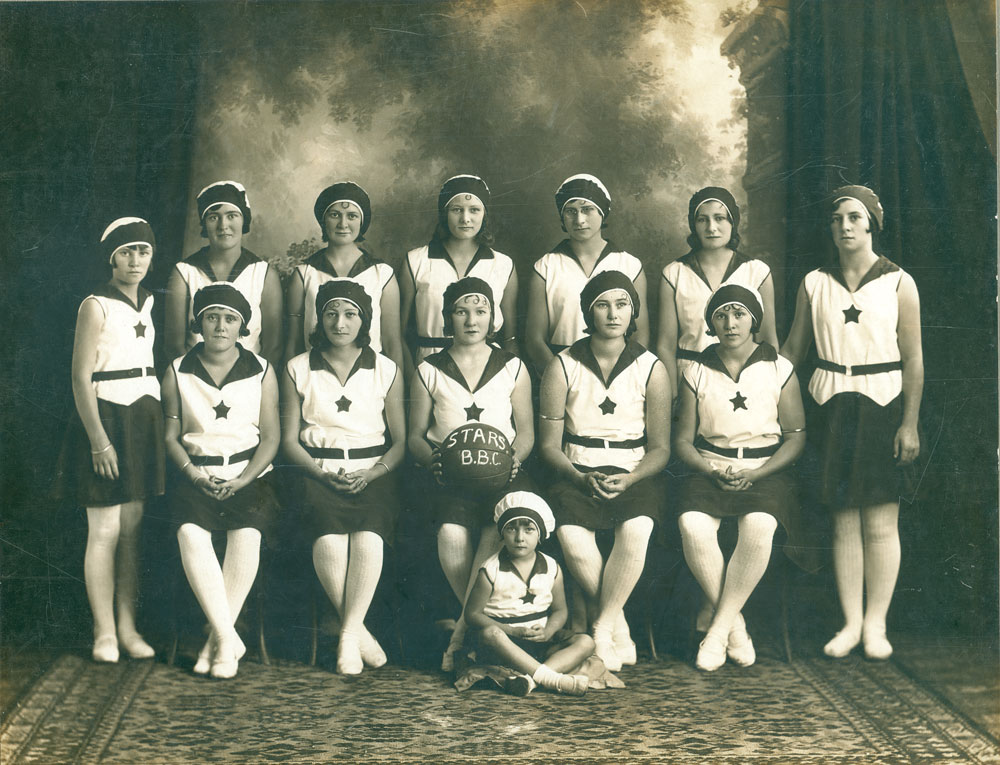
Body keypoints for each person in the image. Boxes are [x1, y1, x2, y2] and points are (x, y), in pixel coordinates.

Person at [782, 185, 922, 661]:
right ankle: (850, 622)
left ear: (871, 225)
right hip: (830, 408)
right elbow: (792, 352)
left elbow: (914, 360)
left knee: (881, 522)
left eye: (854, 218)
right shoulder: (814, 283)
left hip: (882, 407)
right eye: (837, 218)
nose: (844, 226)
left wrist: (910, 423)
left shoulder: (900, 283)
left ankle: (877, 624)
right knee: (843, 523)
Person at [673, 284, 812, 671]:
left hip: (766, 470)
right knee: (692, 524)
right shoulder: (695, 369)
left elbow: (796, 436)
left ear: (754, 319)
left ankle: (717, 631)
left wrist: (759, 472)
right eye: (720, 315)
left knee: (759, 525)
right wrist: (711, 469)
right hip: (709, 468)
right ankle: (736, 627)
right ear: (710, 322)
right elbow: (683, 441)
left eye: (739, 314)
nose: (730, 323)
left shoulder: (778, 367)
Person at [538, 270, 670, 672]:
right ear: (588, 312)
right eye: (602, 305)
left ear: (633, 313)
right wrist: (579, 477)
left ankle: (602, 625)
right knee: (573, 536)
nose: (613, 314)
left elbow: (661, 447)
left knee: (637, 529)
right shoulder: (562, 365)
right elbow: (548, 445)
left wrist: (630, 478)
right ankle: (620, 627)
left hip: (633, 472)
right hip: (577, 471)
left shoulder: (652, 367)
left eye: (622, 304)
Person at [408, 277, 534, 671]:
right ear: (448, 318)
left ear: (493, 317)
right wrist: (433, 461)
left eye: (480, 311)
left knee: (495, 531)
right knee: (450, 532)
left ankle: (463, 633)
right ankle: (486, 626)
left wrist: (515, 459)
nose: (471, 319)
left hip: (503, 475)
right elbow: (414, 436)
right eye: (461, 311)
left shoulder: (512, 365)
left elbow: (527, 431)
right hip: (450, 477)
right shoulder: (429, 369)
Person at [282, 280, 406, 675]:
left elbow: (400, 441)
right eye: (331, 313)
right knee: (330, 537)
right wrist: (320, 473)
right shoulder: (297, 368)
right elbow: (288, 440)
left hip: (373, 472)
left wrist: (372, 473)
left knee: (369, 536)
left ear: (365, 319)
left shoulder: (385, 369)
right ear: (319, 318)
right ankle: (360, 636)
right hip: (315, 471)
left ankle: (349, 637)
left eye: (350, 314)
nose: (340, 323)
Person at [162, 284, 280, 679]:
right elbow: (169, 436)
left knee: (246, 534)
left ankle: (216, 641)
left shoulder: (262, 369)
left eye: (230, 319)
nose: (220, 326)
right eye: (212, 317)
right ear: (198, 323)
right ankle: (228, 639)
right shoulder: (178, 369)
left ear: (242, 326)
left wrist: (245, 479)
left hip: (249, 478)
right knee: (190, 534)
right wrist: (194, 476)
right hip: (196, 476)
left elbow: (272, 436)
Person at [63, 217, 165, 663]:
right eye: (127, 252)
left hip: (143, 418)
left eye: (143, 251)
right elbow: (80, 377)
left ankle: (127, 627)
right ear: (112, 257)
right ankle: (103, 632)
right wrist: (98, 440)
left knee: (132, 532)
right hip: (105, 416)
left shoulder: (149, 303)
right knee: (103, 530)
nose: (135, 260)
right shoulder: (95, 305)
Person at [463, 492, 594, 696]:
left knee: (586, 642)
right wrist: (511, 631)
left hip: (539, 641)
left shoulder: (551, 567)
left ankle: (530, 680)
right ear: (501, 533)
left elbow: (560, 610)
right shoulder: (490, 570)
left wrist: (548, 631)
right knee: (490, 633)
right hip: (503, 643)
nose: (519, 537)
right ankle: (552, 678)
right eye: (511, 529)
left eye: (529, 529)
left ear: (540, 534)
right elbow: (472, 615)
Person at [657, 187, 777, 399]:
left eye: (720, 218)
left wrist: (767, 388)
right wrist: (673, 393)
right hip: (689, 377)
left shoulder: (757, 272)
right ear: (693, 225)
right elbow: (665, 345)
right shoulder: (674, 274)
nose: (711, 227)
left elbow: (767, 339)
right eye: (703, 220)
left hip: (743, 378)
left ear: (733, 222)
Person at [526, 174, 649, 374]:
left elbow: (640, 334)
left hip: (618, 369)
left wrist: (621, 375)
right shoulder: (546, 267)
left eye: (587, 210)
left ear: (602, 212)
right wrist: (561, 377)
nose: (579, 220)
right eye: (570, 212)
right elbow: (534, 340)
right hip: (561, 368)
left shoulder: (630, 265)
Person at [400, 174, 518, 374]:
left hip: (488, 367)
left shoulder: (503, 264)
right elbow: (400, 333)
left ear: (484, 214)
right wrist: (413, 379)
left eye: (474, 210)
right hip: (429, 367)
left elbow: (510, 338)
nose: (465, 218)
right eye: (456, 210)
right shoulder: (415, 261)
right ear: (444, 213)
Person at [284, 182, 403, 369]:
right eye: (334, 215)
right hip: (315, 376)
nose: (343, 224)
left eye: (352, 216)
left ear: (362, 222)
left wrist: (398, 392)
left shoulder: (382, 274)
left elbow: (392, 342)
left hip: (369, 376)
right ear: (324, 221)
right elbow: (292, 343)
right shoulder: (305, 274)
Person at [165, 181, 283, 365]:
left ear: (244, 219)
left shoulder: (264, 274)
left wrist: (256, 383)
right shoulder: (184, 272)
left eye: (232, 216)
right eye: (213, 217)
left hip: (249, 382)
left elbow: (273, 347)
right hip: (194, 382)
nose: (223, 225)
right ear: (204, 224)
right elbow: (174, 345)